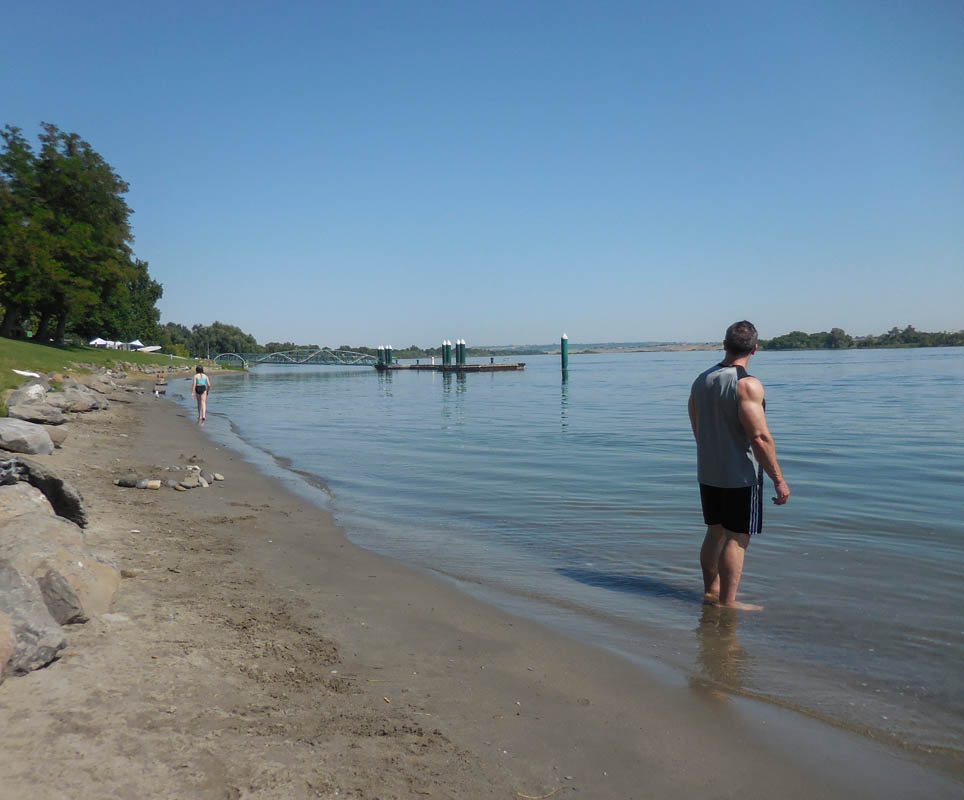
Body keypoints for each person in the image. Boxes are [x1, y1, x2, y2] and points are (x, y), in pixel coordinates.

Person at [688, 321, 790, 610]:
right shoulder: (748, 384)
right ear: (755, 349)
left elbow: (696, 424)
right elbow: (759, 437)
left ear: (724, 344)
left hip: (708, 471)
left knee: (714, 530)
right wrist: (779, 479)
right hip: (740, 476)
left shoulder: (701, 380)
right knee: (737, 537)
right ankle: (728, 603)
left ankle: (712, 592)